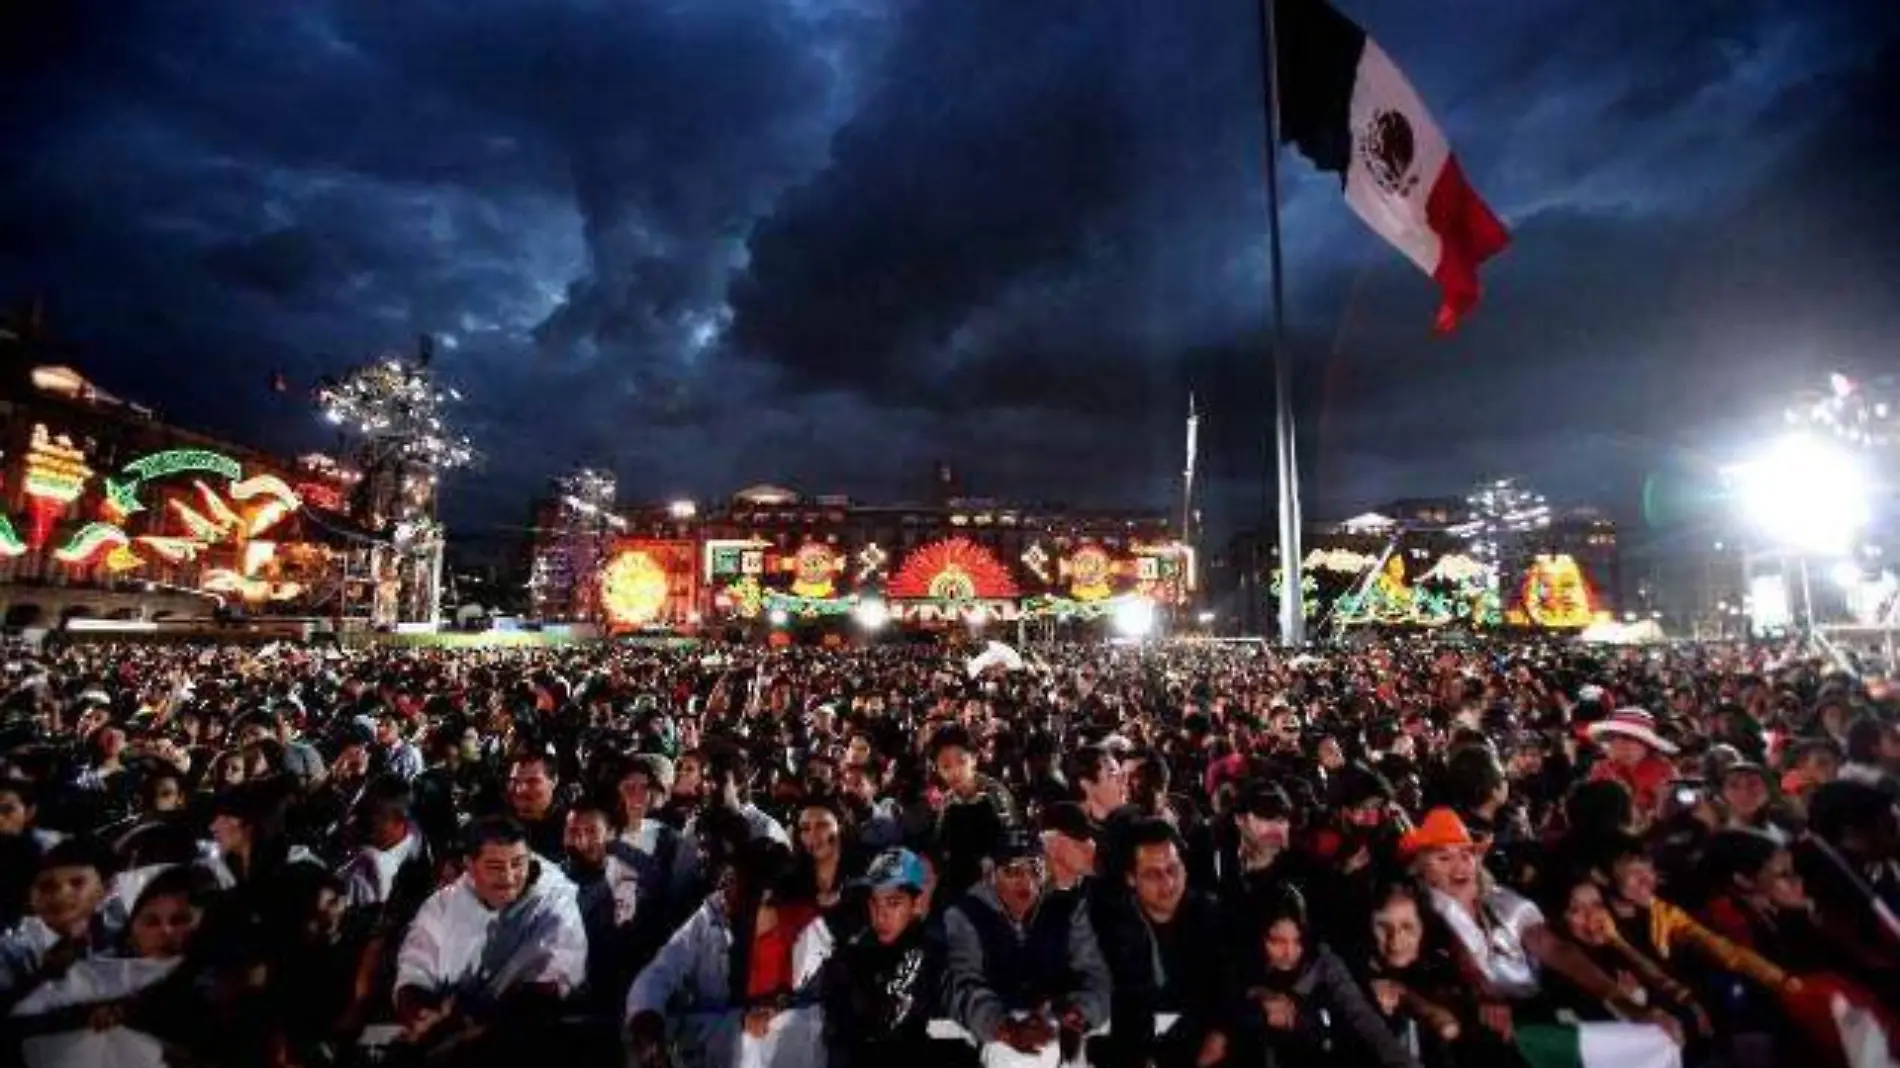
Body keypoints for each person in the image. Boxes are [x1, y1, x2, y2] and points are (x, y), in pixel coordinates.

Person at [393, 815, 588, 1060]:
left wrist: (476, 1023)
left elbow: (553, 979)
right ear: (470, 866)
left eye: (518, 864)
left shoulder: (554, 902)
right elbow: (414, 970)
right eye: (495, 867)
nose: (508, 878)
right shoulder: (443, 905)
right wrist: (422, 1014)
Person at [626, 838, 831, 1068]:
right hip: (720, 1038)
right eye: (726, 877)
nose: (723, 887)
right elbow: (661, 971)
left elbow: (816, 998)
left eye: (735, 881)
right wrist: (646, 1015)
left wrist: (778, 1005)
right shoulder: (711, 915)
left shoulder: (803, 925)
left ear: (765, 893)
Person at [943, 828, 1110, 1068]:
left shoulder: (1068, 908)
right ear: (990, 873)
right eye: (1012, 871)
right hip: (996, 1036)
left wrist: (1079, 1014)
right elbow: (962, 982)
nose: (1027, 881)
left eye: (1035, 868)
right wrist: (1004, 1028)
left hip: (1059, 1030)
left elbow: (1095, 975)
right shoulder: (965, 914)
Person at [1097, 820, 1234, 1068]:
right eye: (1152, 874)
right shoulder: (1110, 928)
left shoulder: (1210, 914)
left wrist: (1219, 1034)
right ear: (1130, 878)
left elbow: (1228, 987)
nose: (1168, 883)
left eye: (1173, 869)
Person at [1234, 885, 1419, 1068]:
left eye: (1297, 941)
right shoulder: (1238, 970)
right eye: (1277, 941)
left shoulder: (1323, 962)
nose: (1289, 952)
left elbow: (1360, 1013)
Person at [819, 848, 948, 1068]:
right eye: (875, 903)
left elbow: (883, 1023)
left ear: (915, 904)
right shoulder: (856, 949)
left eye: (893, 903)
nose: (881, 915)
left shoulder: (927, 952)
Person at [1586, 709, 1678, 819]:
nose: (1627, 746)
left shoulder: (1664, 771)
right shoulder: (1601, 770)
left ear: (1648, 744)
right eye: (1619, 738)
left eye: (1635, 739)